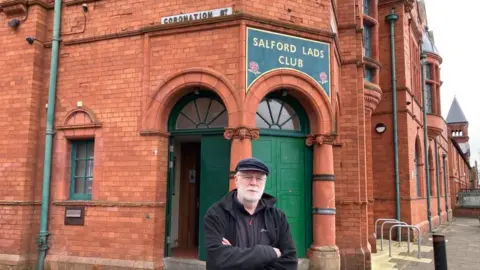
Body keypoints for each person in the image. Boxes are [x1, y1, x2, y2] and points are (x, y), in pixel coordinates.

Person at [203, 157, 298, 270]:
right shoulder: (216, 214)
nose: (253, 183)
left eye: (259, 178)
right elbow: (217, 261)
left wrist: (233, 257)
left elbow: (290, 263)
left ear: (265, 182)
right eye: (247, 177)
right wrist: (268, 252)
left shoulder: (277, 217)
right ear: (236, 180)